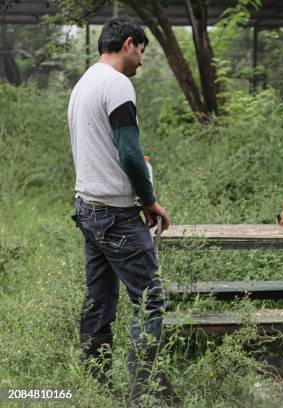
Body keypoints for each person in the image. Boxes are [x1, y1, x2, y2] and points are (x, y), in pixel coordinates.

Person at [68, 16, 172, 404]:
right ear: (129, 44)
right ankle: (141, 393)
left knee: (99, 301)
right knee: (149, 300)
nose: (141, 62)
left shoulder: (84, 83)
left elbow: (103, 149)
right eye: (142, 52)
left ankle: (94, 386)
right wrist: (149, 200)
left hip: (87, 207)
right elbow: (128, 153)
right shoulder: (117, 84)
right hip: (115, 213)